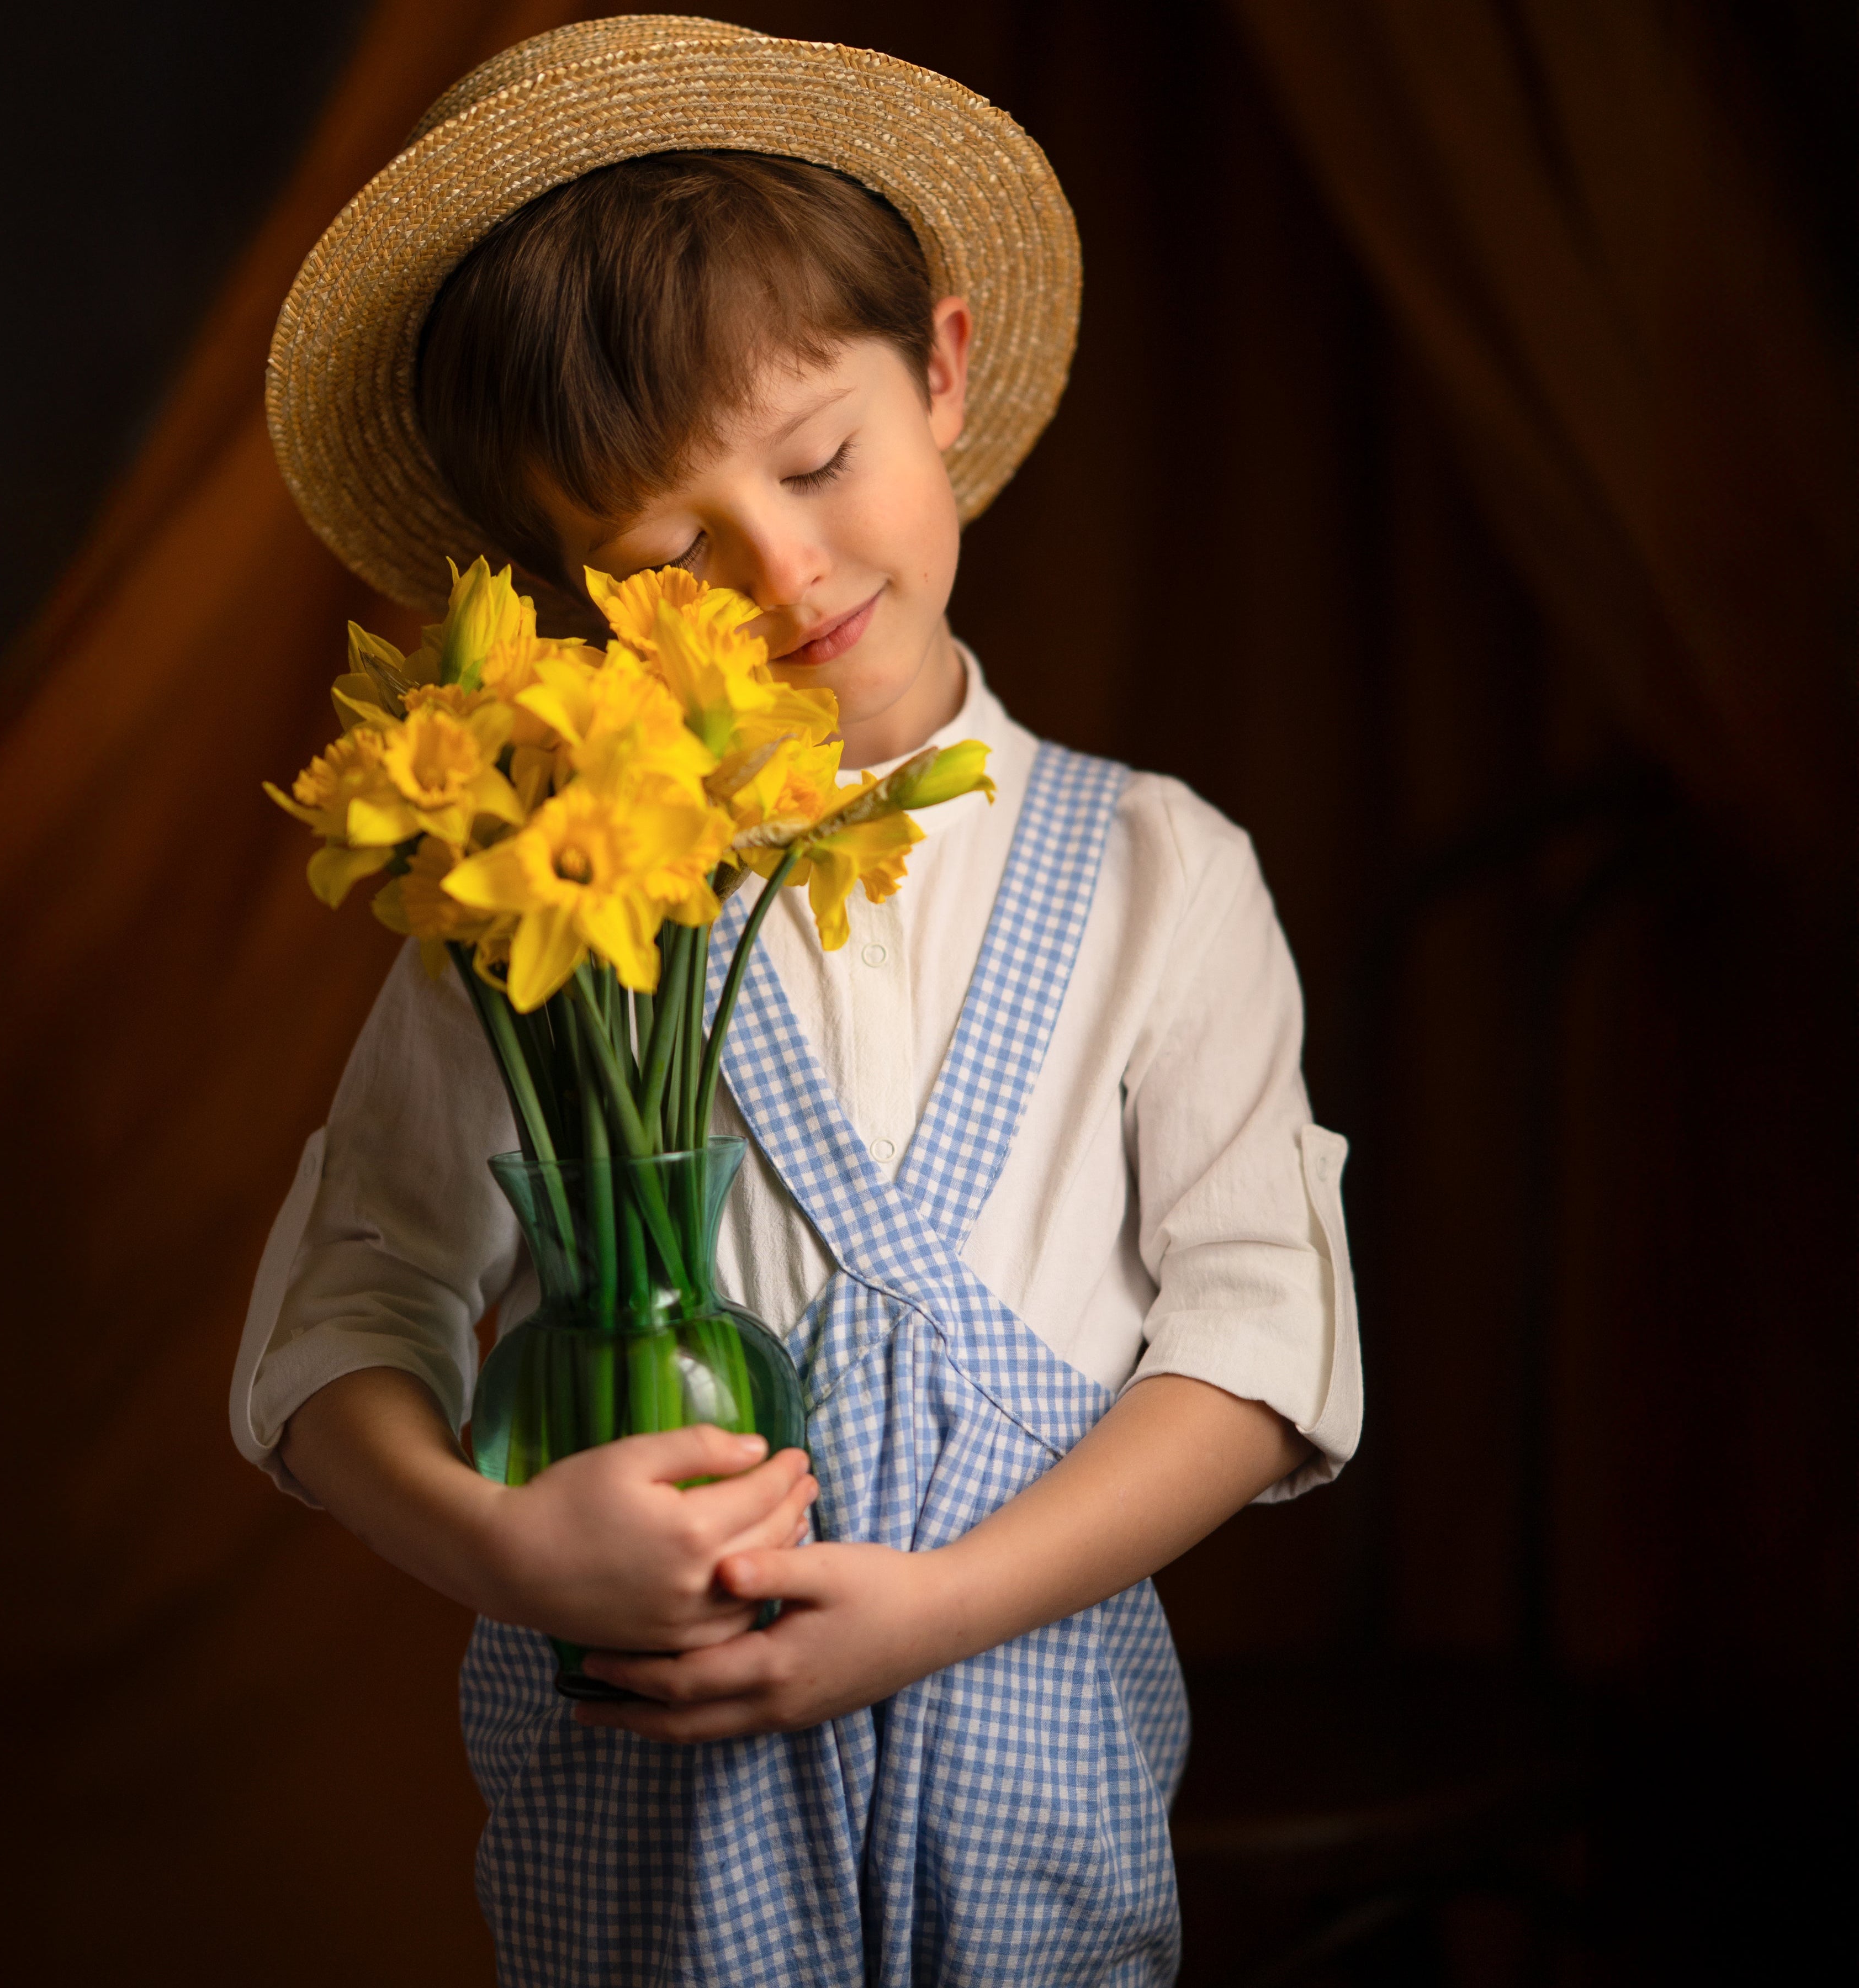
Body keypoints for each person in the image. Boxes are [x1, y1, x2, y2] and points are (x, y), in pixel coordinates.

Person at [232, 17, 1361, 1985]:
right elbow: (349, 1306)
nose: (780, 570)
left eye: (820, 457)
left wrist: (940, 1608)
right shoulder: (528, 890)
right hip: (654, 1833)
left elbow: (1262, 1342)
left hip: (1036, 1783)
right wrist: (496, 1545)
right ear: (568, 590)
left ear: (939, 367)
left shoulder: (1163, 871)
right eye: (666, 547)